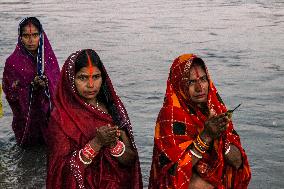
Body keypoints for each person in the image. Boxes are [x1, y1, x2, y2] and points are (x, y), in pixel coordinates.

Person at [148, 54, 251, 189]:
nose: (199, 87)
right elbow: (173, 176)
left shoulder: (216, 108)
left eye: (203, 79)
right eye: (191, 82)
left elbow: (238, 163)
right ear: (179, 84)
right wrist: (206, 136)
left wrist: (220, 137)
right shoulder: (170, 116)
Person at [45, 49, 143, 189]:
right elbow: (59, 172)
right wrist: (96, 144)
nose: (91, 85)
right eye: (83, 78)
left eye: (96, 77)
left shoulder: (113, 108)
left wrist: (113, 145)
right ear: (71, 80)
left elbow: (131, 160)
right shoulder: (60, 118)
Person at [2, 17, 60, 147]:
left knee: (51, 147)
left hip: (48, 117)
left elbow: (58, 87)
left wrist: (46, 85)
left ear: (41, 35)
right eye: (26, 35)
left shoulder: (49, 59)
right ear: (20, 37)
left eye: (35, 35)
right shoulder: (12, 63)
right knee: (28, 149)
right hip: (26, 119)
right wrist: (31, 87)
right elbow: (10, 93)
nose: (31, 40)